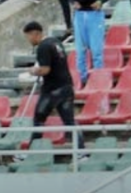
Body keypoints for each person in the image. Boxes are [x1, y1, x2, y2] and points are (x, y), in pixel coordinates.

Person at [21, 21, 85, 154]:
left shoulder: (43, 47)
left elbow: (45, 70)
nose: (28, 40)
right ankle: (81, 151)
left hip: (52, 90)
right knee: (69, 122)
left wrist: (32, 71)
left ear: (35, 34)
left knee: (39, 119)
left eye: (28, 36)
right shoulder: (56, 42)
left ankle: (31, 152)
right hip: (66, 87)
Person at [65, 0, 113, 83]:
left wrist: (101, 1)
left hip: (95, 14)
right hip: (79, 15)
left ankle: (99, 79)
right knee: (80, 52)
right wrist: (73, 2)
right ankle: (83, 79)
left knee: (97, 51)